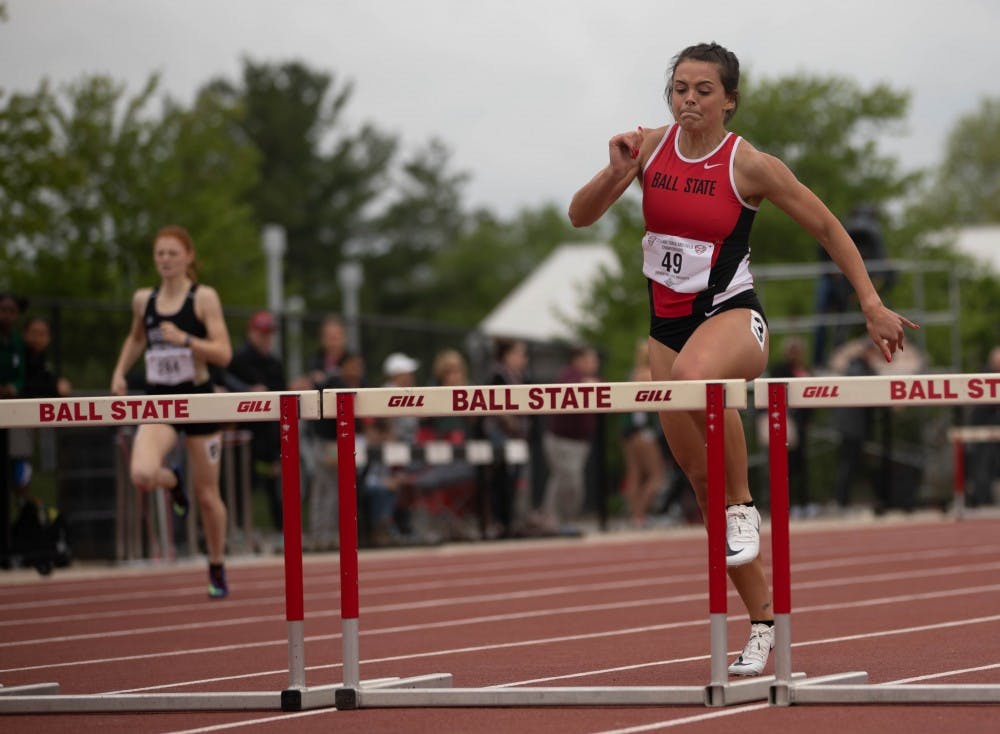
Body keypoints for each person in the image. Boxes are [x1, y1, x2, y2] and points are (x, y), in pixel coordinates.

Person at [568, 42, 917, 676]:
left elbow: (828, 227)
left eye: (703, 90)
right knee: (699, 479)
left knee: (698, 383)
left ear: (729, 99)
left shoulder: (748, 164)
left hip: (734, 320)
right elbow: (579, 217)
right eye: (679, 88)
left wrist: (870, 302)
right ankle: (764, 622)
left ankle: (744, 503)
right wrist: (615, 170)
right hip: (666, 329)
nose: (689, 100)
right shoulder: (647, 148)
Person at [110, 225, 234, 598]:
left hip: (198, 399)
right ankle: (173, 481)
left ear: (188, 257)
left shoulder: (203, 298)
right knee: (143, 473)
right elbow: (136, 338)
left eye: (172, 253)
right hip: (159, 402)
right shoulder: (143, 300)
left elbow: (224, 352)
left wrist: (187, 341)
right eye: (160, 254)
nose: (165, 260)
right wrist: (119, 372)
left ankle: (216, 565)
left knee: (208, 496)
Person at [222, 310, 286, 534]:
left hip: (268, 437)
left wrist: (279, 443)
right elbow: (222, 382)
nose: (267, 339)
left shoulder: (274, 363)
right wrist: (247, 392)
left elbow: (282, 399)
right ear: (251, 333)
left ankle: (282, 532)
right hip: (243, 435)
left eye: (270, 334)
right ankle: (235, 530)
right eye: (262, 334)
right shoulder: (237, 359)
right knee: (238, 485)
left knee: (277, 486)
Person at [541, 345, 600, 534]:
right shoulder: (569, 375)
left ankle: (558, 521)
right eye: (591, 359)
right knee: (569, 481)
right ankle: (556, 521)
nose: (595, 364)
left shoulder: (587, 378)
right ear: (578, 360)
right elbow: (578, 386)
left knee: (564, 481)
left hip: (578, 441)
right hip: (563, 440)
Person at [477, 338, 532, 539]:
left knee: (516, 480)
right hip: (500, 436)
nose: (524, 359)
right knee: (501, 479)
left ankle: (511, 521)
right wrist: (511, 422)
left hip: (516, 436)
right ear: (507, 355)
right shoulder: (498, 374)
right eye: (520, 353)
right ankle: (501, 522)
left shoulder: (520, 375)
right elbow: (495, 404)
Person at [620, 340, 668, 528]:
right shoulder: (649, 374)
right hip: (642, 432)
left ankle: (635, 516)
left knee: (635, 475)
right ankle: (639, 515)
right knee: (657, 476)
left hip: (628, 431)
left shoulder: (633, 374)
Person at [769, 336, 815, 518]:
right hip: (783, 422)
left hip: (801, 423)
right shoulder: (780, 369)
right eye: (793, 350)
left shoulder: (805, 369)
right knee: (785, 465)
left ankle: (805, 502)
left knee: (802, 464)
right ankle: (787, 503)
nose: (796, 354)